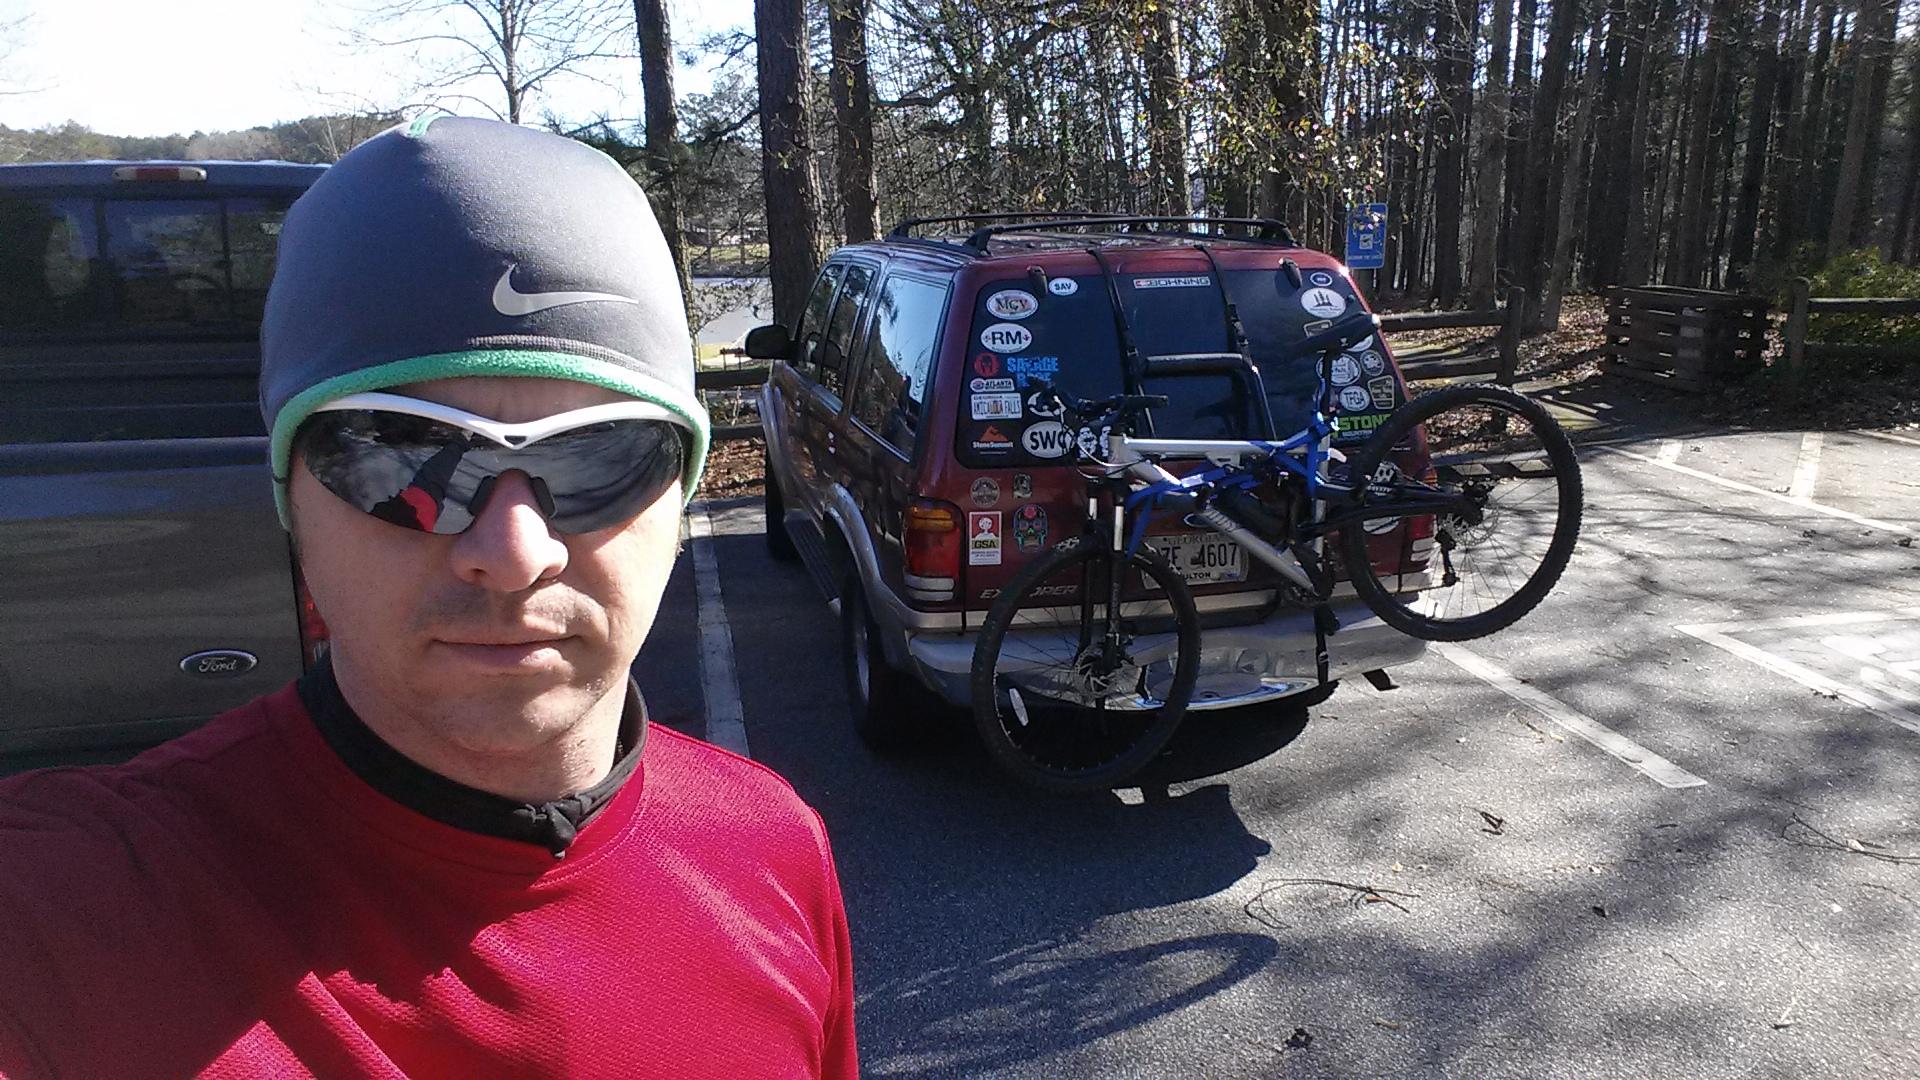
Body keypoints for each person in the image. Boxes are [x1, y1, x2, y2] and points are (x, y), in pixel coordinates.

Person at [0, 117, 858, 1078]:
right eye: (402, 453)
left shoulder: (771, 849)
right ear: (291, 496)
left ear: (683, 488)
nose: (512, 551)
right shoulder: (65, 915)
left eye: (601, 455)